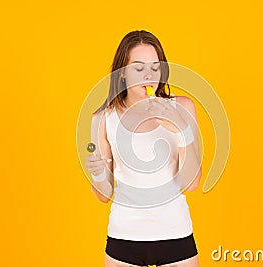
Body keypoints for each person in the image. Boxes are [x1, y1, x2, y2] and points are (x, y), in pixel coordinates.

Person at [86, 30, 202, 267]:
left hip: (176, 235)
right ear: (123, 75)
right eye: (138, 68)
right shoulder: (103, 118)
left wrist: (182, 131)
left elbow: (192, 184)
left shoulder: (183, 107)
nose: (149, 75)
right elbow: (103, 195)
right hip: (123, 240)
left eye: (155, 67)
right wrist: (97, 173)